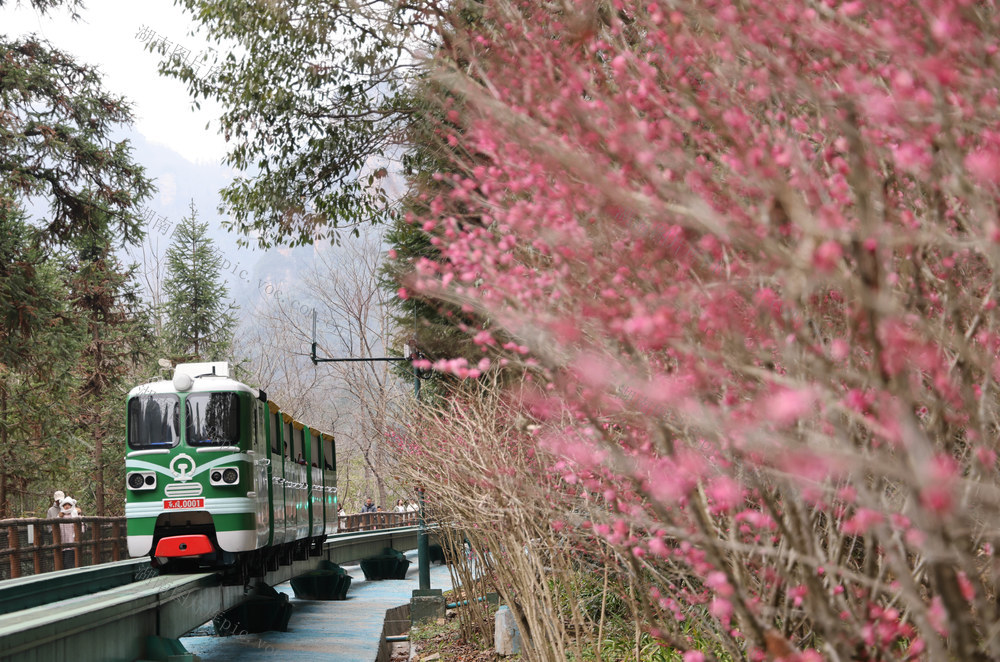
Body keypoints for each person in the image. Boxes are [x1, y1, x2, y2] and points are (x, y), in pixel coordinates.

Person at [58, 497, 80, 569]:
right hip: (62, 545)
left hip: (72, 544)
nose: (67, 506)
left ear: (71, 505)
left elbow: (81, 527)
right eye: (65, 505)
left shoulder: (75, 514)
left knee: (69, 564)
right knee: (63, 564)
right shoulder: (60, 516)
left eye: (68, 504)